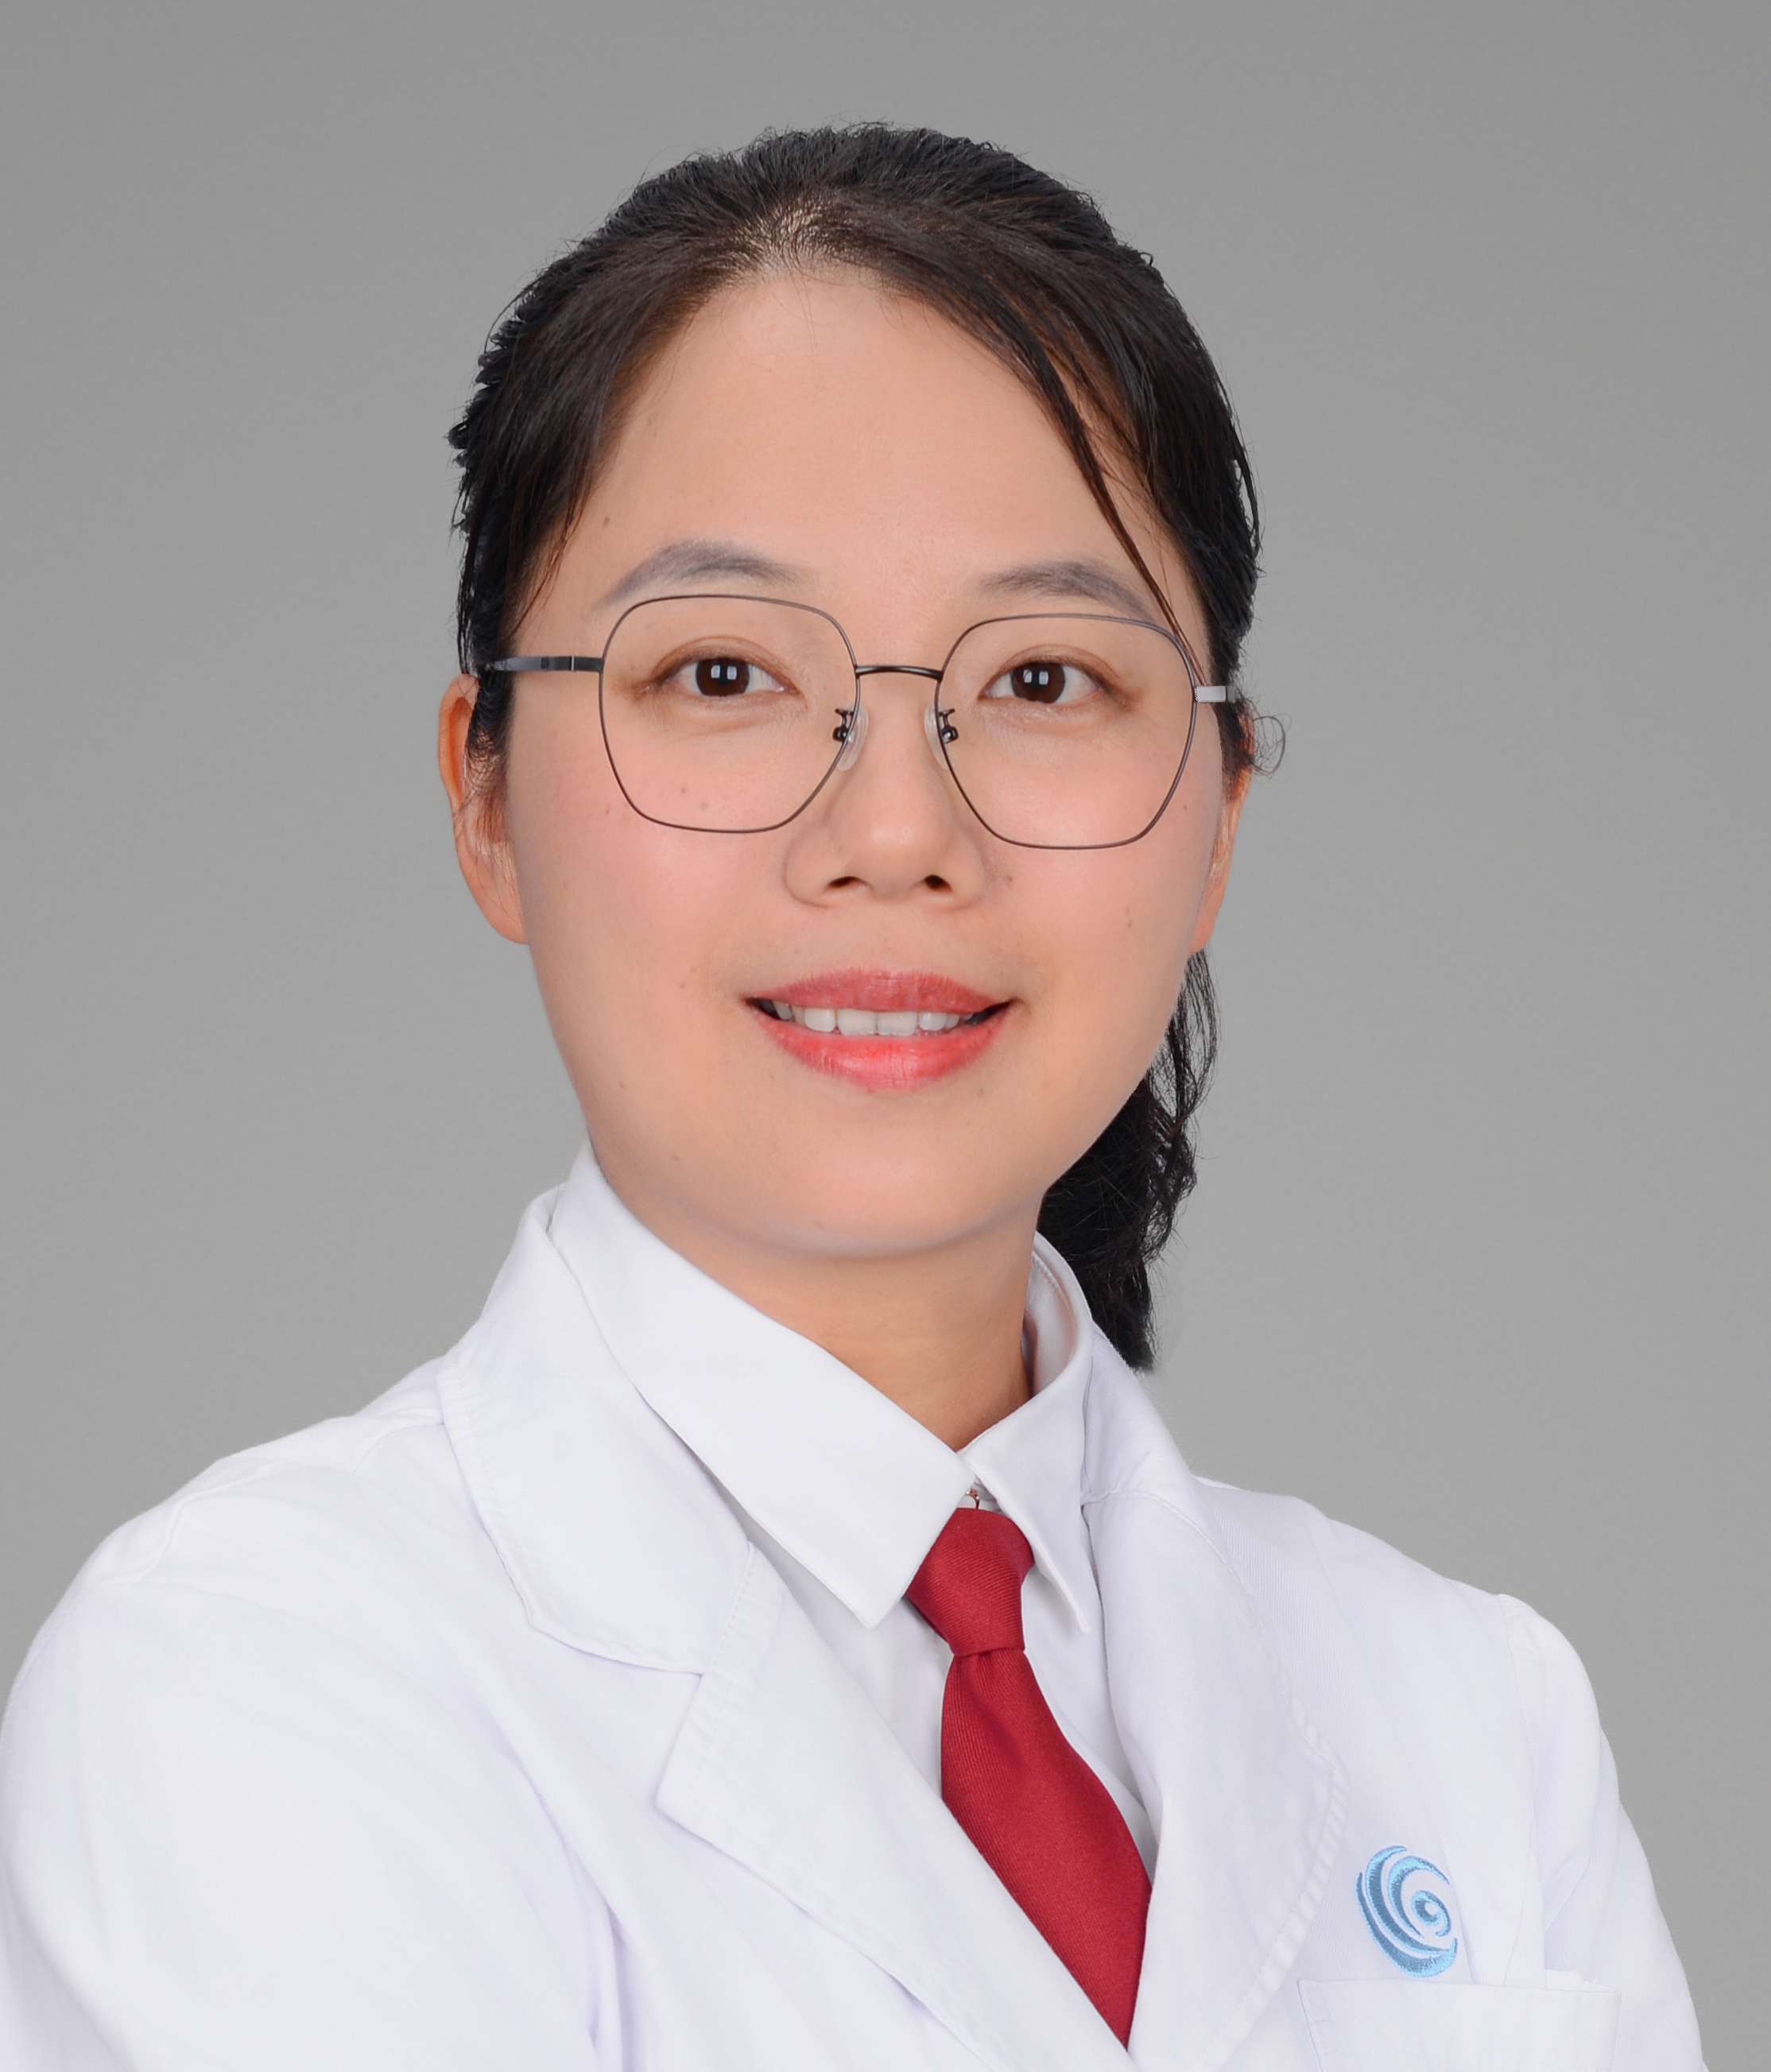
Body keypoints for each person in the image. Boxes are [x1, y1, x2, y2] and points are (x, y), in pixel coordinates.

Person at [0, 126, 1703, 2071]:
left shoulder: (1474, 1718)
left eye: (1043, 681)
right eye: (722, 670)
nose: (894, 832)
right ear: (486, 795)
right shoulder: (254, 1680)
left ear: (1218, 817)